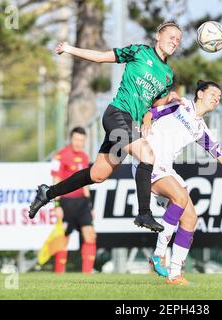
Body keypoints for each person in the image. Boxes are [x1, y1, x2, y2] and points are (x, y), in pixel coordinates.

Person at [28, 21, 183, 232]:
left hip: (129, 122)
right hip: (117, 114)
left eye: (178, 39)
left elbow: (152, 104)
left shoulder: (167, 75)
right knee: (147, 156)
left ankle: (48, 192)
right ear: (158, 35)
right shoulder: (139, 51)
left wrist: (169, 98)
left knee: (98, 175)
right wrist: (69, 49)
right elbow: (101, 57)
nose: (175, 41)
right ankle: (144, 213)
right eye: (171, 36)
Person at [135, 80, 222, 285]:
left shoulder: (200, 129)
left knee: (190, 219)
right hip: (147, 160)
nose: (217, 98)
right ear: (200, 94)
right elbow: (151, 111)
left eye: (220, 97)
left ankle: (175, 275)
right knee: (180, 196)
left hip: (166, 168)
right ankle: (159, 255)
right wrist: (148, 119)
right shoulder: (181, 105)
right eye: (213, 93)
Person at [51, 127, 96, 274]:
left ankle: (87, 275)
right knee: (63, 239)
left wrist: (90, 206)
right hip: (66, 202)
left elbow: (85, 184)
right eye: (76, 139)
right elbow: (56, 180)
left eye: (82, 140)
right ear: (70, 139)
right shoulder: (60, 156)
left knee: (90, 235)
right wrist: (57, 204)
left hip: (82, 203)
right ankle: (59, 274)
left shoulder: (84, 157)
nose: (79, 143)